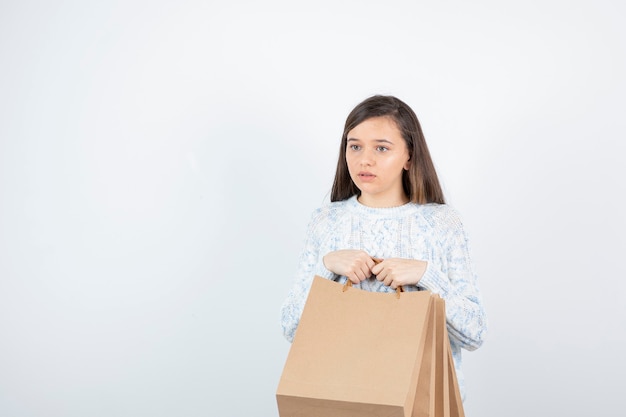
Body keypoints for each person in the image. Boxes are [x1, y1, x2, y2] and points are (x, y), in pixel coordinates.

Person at [280, 94, 487, 400]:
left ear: (409, 156)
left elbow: (474, 334)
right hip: (341, 398)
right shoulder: (326, 222)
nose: (365, 159)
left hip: (422, 401)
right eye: (355, 146)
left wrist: (427, 276)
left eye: (381, 148)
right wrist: (326, 268)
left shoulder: (443, 224)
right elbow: (291, 329)